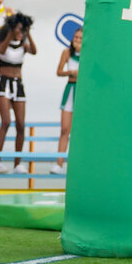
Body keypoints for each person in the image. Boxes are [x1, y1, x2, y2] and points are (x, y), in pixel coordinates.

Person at [0, 13, 37, 174]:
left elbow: (35, 51)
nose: (20, 32)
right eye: (18, 29)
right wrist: (10, 31)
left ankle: (17, 163)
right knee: (6, 122)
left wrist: (28, 33)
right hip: (3, 82)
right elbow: (0, 50)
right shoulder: (2, 42)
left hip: (18, 84)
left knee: (21, 125)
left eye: (22, 30)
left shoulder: (23, 45)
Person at [53, 28, 82, 175]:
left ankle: (77, 164)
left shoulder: (88, 55)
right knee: (65, 129)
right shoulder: (66, 53)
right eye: (76, 37)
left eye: (81, 38)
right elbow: (59, 71)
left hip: (82, 93)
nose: (77, 40)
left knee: (80, 131)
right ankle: (59, 163)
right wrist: (70, 72)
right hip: (70, 89)